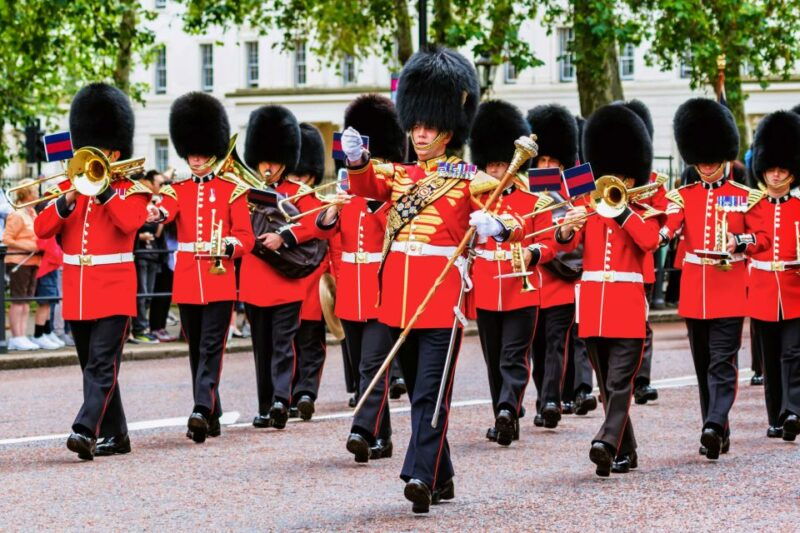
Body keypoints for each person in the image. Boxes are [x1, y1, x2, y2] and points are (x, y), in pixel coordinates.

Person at [342, 45, 521, 513]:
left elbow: (508, 220)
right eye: (415, 125)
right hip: (396, 301)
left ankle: (420, 474)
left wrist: (494, 226)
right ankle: (442, 476)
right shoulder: (398, 175)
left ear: (448, 129)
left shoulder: (471, 182)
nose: (419, 134)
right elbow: (366, 187)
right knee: (412, 389)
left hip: (441, 301)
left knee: (429, 392)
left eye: (428, 126)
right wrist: (358, 161)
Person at [34, 82, 160, 460]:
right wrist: (70, 196)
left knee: (102, 365)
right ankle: (117, 435)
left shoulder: (131, 190)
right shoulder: (70, 189)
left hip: (115, 288)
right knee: (94, 367)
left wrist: (102, 190)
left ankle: (84, 430)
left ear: (115, 152)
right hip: (78, 288)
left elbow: (128, 224)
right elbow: (42, 229)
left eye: (97, 150)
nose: (88, 155)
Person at [557, 104, 665, 476]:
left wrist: (623, 213)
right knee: (606, 383)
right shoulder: (589, 202)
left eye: (622, 174)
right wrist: (567, 228)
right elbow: (568, 243)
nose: (615, 180)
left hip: (627, 303)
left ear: (633, 175)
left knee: (621, 381)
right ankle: (625, 450)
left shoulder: (644, 206)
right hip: (593, 304)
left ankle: (605, 441)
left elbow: (650, 241)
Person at [659, 98, 768, 460]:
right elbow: (669, 226)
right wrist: (663, 231)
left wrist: (741, 241)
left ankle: (712, 423)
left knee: (723, 361)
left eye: (711, 158)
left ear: (724, 156)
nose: (706, 165)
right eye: (700, 159)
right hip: (695, 289)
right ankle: (716, 425)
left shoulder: (746, 197)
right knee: (704, 363)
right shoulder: (683, 196)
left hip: (730, 286)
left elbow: (762, 237)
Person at [157, 91, 255, 443]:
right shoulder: (178, 188)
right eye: (191, 153)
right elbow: (165, 211)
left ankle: (199, 409)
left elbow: (246, 237)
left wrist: (229, 245)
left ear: (212, 151)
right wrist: (154, 212)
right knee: (196, 346)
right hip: (187, 278)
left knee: (212, 346)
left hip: (218, 277)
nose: (196, 160)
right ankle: (211, 414)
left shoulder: (232, 189)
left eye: (201, 154)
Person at [468, 99, 554, 446]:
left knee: (513, 355)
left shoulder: (535, 202)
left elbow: (548, 244)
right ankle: (503, 417)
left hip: (522, 286)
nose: (495, 170)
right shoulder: (475, 202)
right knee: (493, 359)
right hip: (487, 288)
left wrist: (532, 254)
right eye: (490, 165)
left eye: (501, 164)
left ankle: (507, 408)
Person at [239, 105, 331, 430]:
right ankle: (266, 406)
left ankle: (281, 399)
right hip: (254, 279)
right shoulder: (245, 193)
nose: (267, 167)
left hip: (286, 283)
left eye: (274, 161)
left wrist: (284, 237)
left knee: (283, 345)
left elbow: (321, 226)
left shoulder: (301, 195)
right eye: (263, 161)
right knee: (261, 348)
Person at [336, 94, 404, 463]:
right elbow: (325, 230)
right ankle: (384, 438)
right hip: (351, 290)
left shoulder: (392, 191)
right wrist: (326, 218)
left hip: (380, 289)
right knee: (363, 363)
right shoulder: (346, 191)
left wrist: (375, 200)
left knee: (372, 366)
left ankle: (362, 429)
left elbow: (394, 227)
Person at [525, 104, 595, 427]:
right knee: (538, 346)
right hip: (535, 275)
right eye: (543, 160)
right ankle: (544, 398)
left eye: (553, 160)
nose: (548, 165)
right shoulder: (528, 185)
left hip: (565, 275)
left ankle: (552, 400)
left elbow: (589, 217)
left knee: (557, 342)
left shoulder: (578, 181)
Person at [744, 110, 800, 441]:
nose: (776, 176)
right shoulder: (752, 208)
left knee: (794, 353)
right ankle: (775, 416)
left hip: (794, 289)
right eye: (771, 170)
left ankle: (792, 410)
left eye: (782, 170)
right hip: (764, 287)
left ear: (792, 172)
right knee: (769, 357)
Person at [290, 123, 336, 421]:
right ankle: (289, 393)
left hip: (312, 283)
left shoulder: (321, 204)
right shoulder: (278, 200)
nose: (297, 179)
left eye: (302, 174)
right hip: (285, 284)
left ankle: (306, 392)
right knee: (289, 343)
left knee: (310, 341)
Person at [4, 180, 42, 351]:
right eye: (35, 191)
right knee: (18, 300)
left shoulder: (32, 212)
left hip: (33, 260)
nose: (38, 194)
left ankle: (22, 335)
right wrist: (29, 247)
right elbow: (7, 239)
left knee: (26, 300)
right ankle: (16, 336)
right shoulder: (17, 214)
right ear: (27, 194)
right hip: (19, 261)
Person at [131, 170, 165, 344]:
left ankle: (143, 327)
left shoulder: (154, 202)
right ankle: (139, 329)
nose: (160, 187)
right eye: (159, 184)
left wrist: (161, 211)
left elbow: (158, 232)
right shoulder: (138, 200)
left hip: (152, 254)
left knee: (148, 294)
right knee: (141, 293)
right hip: (140, 253)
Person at [32, 231, 65, 349]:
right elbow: (41, 244)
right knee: (44, 303)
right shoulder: (44, 227)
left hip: (52, 266)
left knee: (50, 302)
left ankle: (46, 332)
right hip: (46, 267)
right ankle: (38, 334)